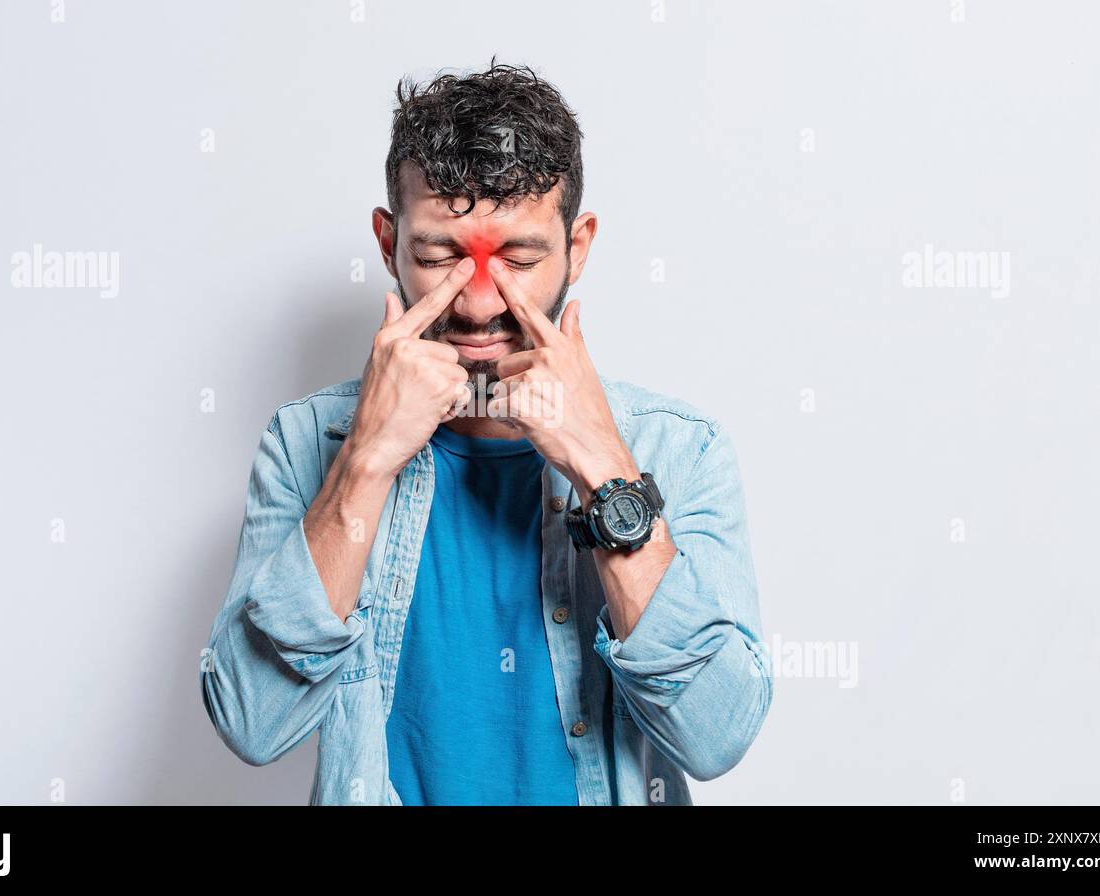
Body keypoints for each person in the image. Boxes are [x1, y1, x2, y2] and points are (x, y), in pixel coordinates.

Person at [200, 59, 772, 805]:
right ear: (386, 242)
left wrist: (605, 471)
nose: (475, 301)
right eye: (439, 255)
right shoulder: (309, 441)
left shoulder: (677, 448)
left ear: (579, 245)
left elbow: (715, 735)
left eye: (519, 258)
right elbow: (252, 724)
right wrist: (365, 463)